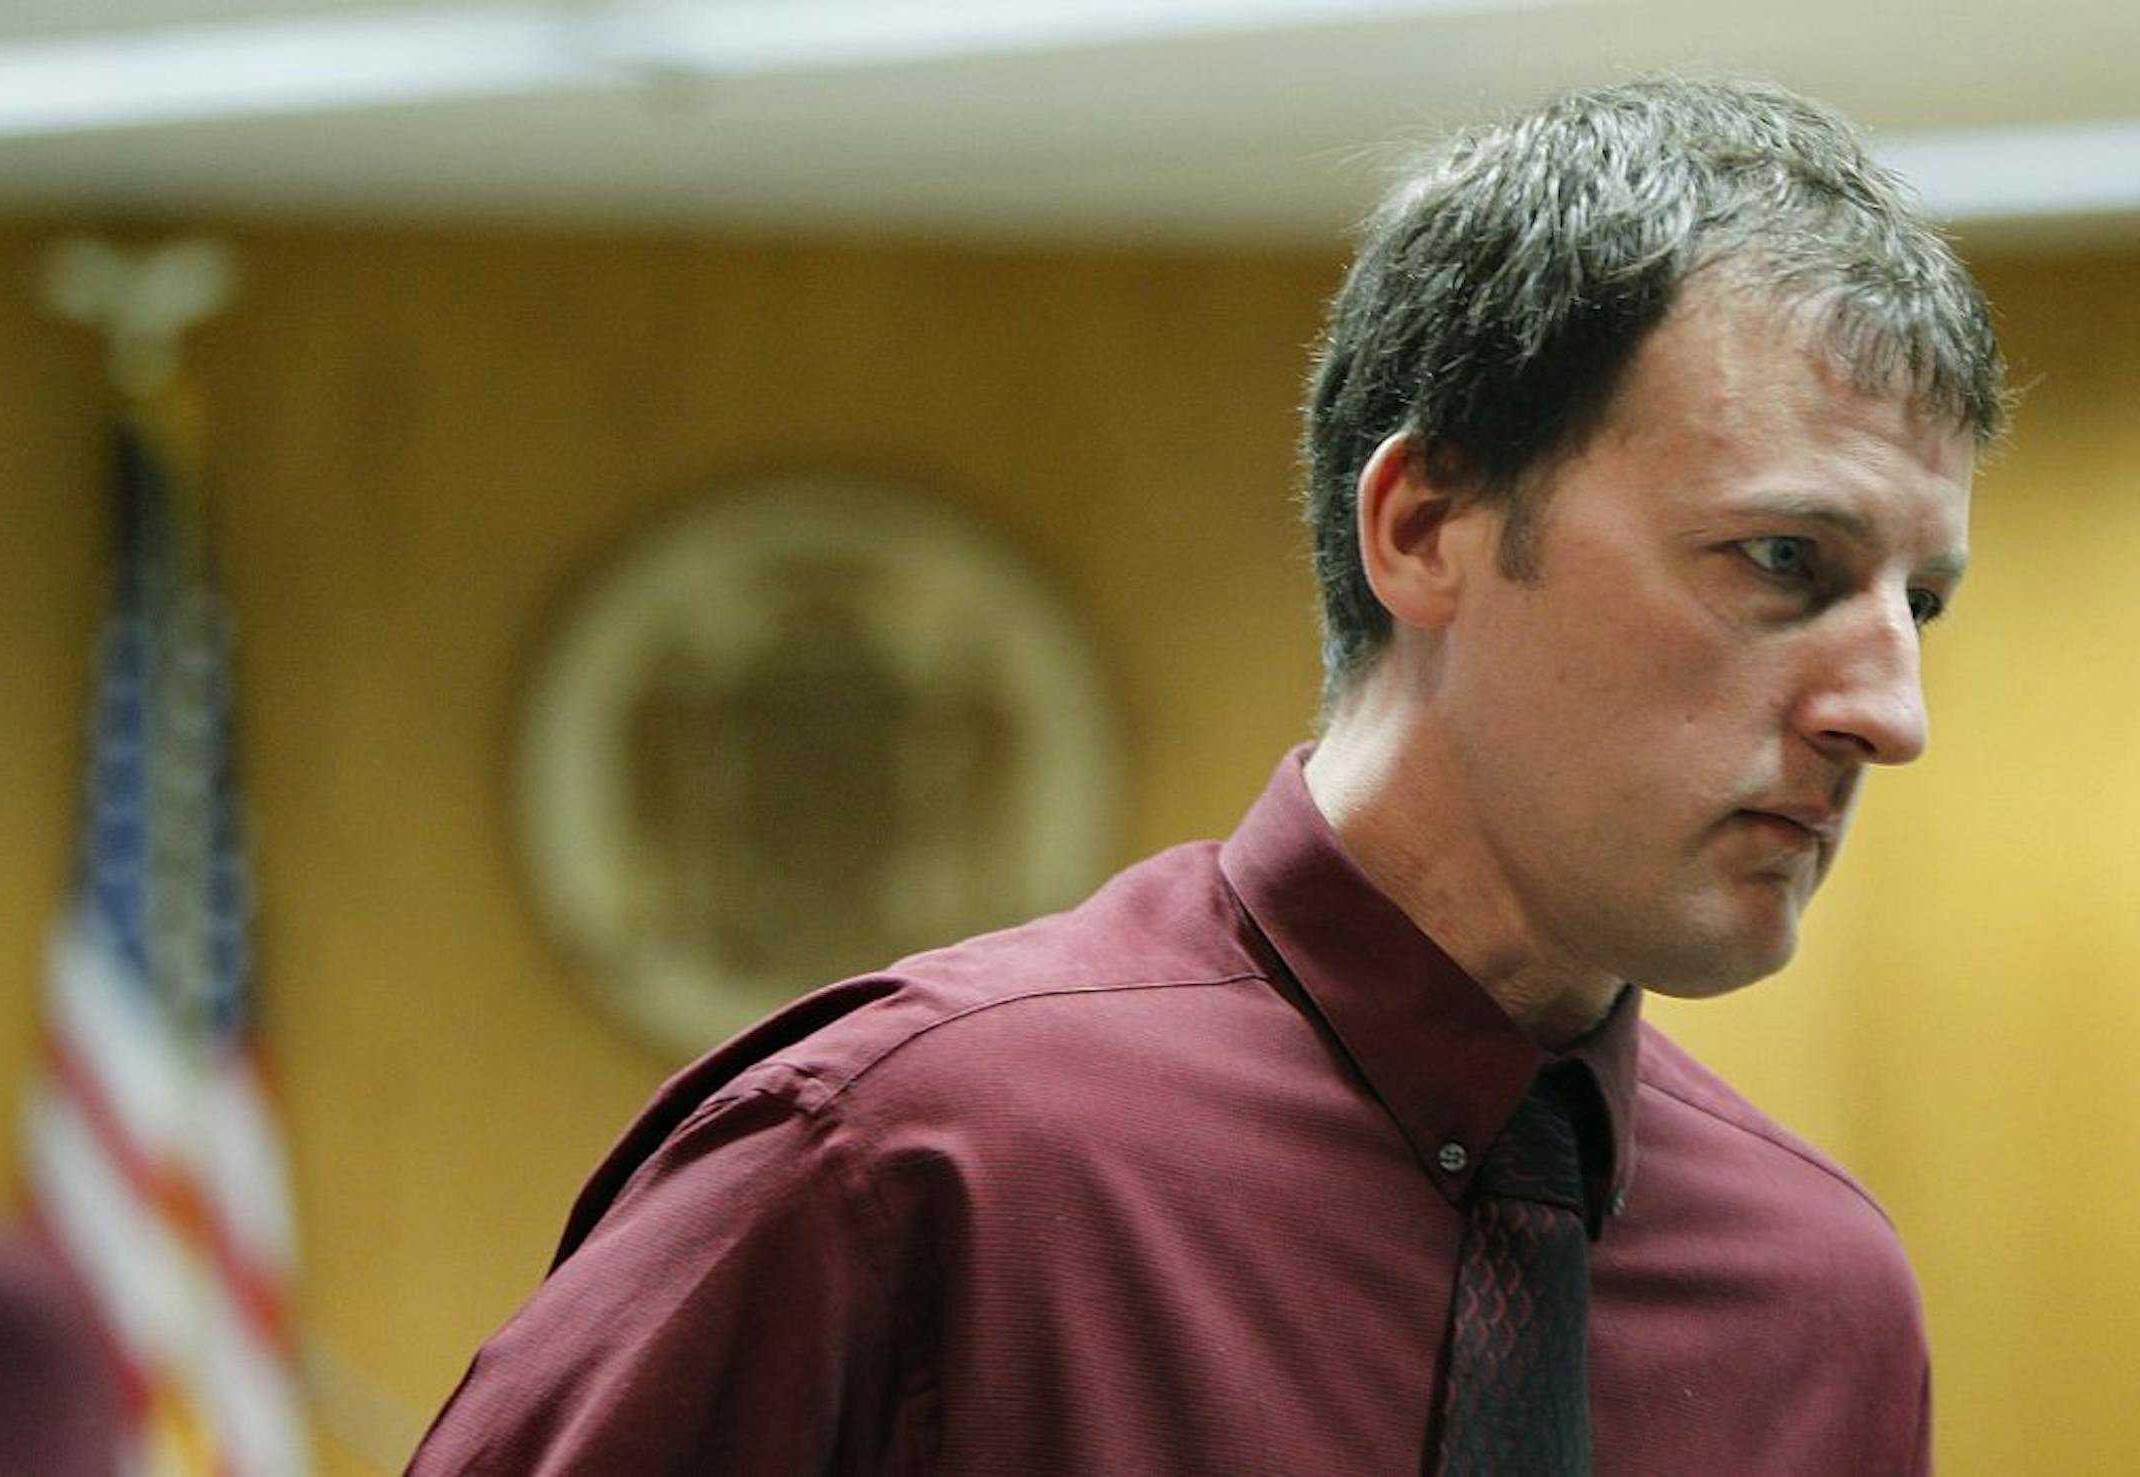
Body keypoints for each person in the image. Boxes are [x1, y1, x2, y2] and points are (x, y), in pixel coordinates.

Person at [412, 75, 2003, 1475]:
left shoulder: (1818, 1300)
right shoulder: (905, 1168)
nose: (1890, 710)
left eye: (1918, 602)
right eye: (1785, 558)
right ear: (1426, 528)